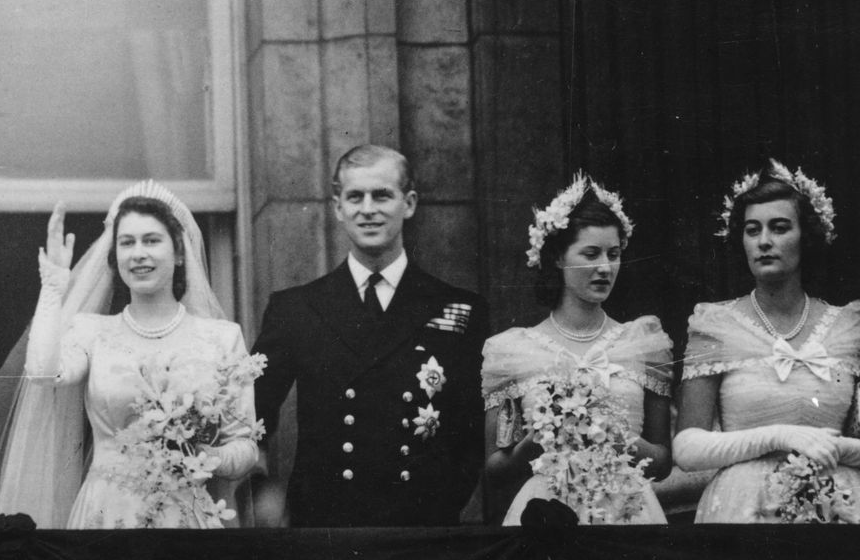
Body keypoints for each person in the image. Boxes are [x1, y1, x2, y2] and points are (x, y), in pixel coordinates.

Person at [0, 181, 259, 529]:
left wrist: (204, 457)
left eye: (152, 240)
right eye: (127, 243)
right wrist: (52, 288)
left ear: (178, 252)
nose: (138, 253)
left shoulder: (221, 337)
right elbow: (41, 372)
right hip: (105, 516)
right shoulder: (92, 331)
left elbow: (244, 447)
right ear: (115, 256)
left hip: (186, 519)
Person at [251, 144, 488, 527]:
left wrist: (442, 502)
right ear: (337, 207)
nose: (367, 209)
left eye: (382, 195)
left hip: (422, 528)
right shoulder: (295, 309)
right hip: (324, 529)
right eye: (354, 197)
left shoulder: (458, 309)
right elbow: (250, 416)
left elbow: (471, 432)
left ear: (408, 203)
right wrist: (262, 492)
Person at [672, 161, 860, 523]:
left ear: (807, 235)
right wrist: (778, 435)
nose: (764, 242)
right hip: (743, 509)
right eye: (752, 230)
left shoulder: (848, 326)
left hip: (839, 509)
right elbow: (687, 448)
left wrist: (831, 447)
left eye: (779, 228)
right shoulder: (716, 324)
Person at [481, 176, 671, 524]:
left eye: (613, 255)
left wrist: (612, 433)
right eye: (590, 253)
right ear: (557, 257)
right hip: (546, 512)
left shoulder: (643, 341)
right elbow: (495, 470)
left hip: (629, 513)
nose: (604, 267)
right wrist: (537, 440)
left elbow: (661, 463)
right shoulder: (512, 350)